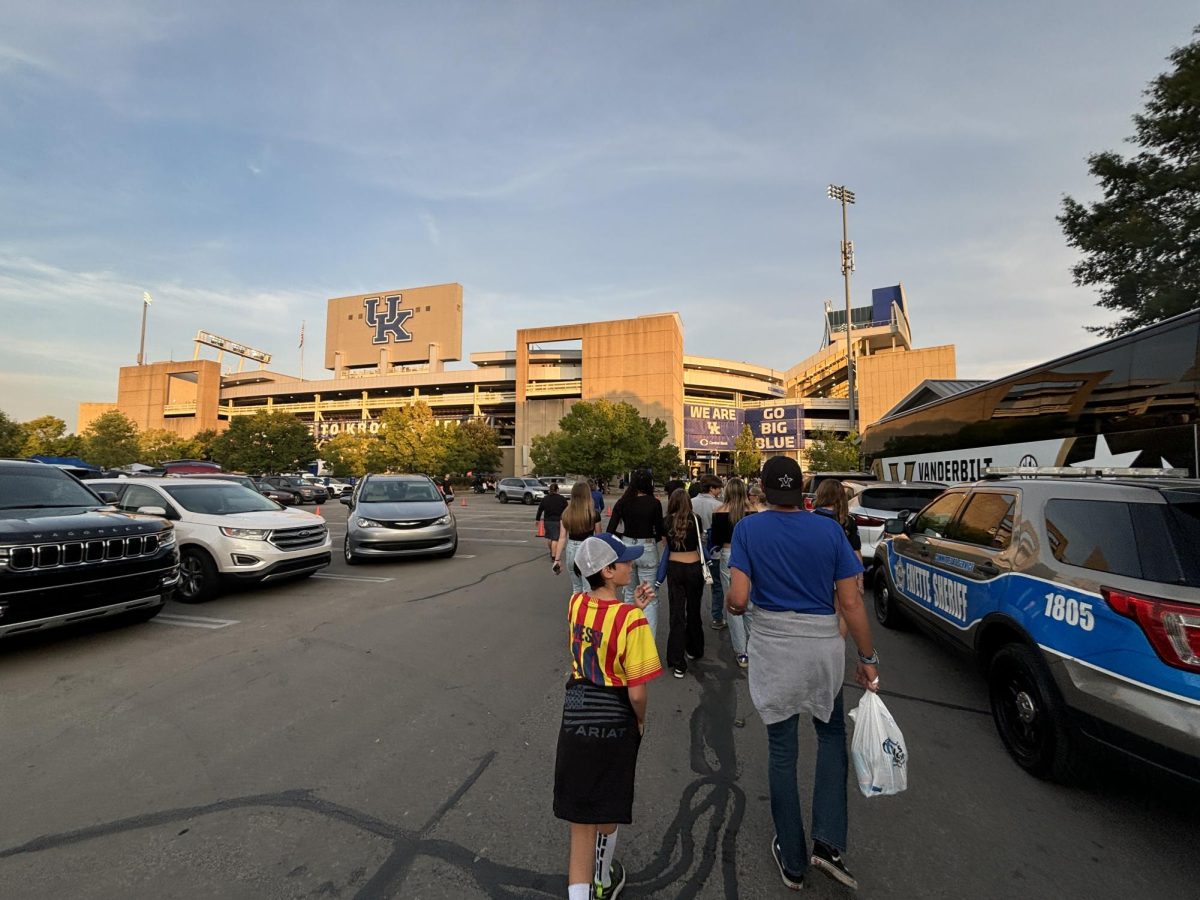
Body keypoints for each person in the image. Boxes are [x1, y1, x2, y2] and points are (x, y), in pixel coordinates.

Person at [725, 455, 878, 892]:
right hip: (822, 649)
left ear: (763, 490)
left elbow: (738, 597)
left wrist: (736, 607)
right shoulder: (829, 530)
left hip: (775, 647)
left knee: (782, 749)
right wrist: (868, 658)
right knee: (830, 737)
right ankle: (827, 843)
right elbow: (850, 603)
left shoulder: (748, 530)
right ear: (801, 493)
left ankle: (792, 859)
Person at [554, 534, 663, 900]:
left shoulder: (574, 604)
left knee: (580, 827)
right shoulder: (631, 620)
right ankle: (604, 880)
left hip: (577, 714)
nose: (631, 566)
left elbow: (599, 620)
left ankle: (583, 890)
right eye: (625, 562)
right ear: (608, 570)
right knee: (609, 803)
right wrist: (641, 720)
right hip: (615, 718)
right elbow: (636, 690)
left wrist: (633, 603)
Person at [606, 472, 665, 635]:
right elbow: (659, 530)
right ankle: (648, 642)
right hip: (647, 546)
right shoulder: (654, 503)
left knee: (630, 594)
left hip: (627, 547)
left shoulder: (623, 502)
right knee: (649, 597)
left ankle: (629, 637)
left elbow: (610, 530)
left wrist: (623, 538)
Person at [661, 488, 706, 679]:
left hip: (675, 567)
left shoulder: (666, 521)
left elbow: (665, 546)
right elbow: (700, 542)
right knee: (694, 610)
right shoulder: (696, 520)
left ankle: (678, 661)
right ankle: (694, 648)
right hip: (694, 566)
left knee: (677, 613)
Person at [710, 476, 754, 668]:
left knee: (734, 604)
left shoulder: (719, 512)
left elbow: (717, 540)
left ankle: (741, 651)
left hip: (728, 554)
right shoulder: (753, 512)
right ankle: (754, 646)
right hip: (750, 555)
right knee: (751, 604)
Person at [689, 474, 725, 630]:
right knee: (717, 585)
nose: (719, 491)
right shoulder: (718, 506)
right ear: (711, 488)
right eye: (718, 488)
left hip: (694, 550)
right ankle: (717, 617)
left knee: (696, 586)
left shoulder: (690, 503)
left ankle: (693, 616)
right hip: (714, 550)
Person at [554, 482, 603, 595]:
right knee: (588, 589)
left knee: (576, 588)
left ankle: (574, 611)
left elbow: (562, 537)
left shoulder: (566, 514)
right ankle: (587, 612)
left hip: (572, 549)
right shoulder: (593, 514)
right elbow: (598, 537)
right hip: (588, 550)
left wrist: (557, 559)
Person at [536, 483, 569, 558]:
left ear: (550, 490)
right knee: (555, 538)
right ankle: (554, 556)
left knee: (550, 537)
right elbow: (567, 510)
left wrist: (537, 519)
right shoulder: (562, 499)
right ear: (557, 490)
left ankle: (552, 551)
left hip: (547, 521)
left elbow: (540, 509)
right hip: (558, 521)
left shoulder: (545, 498)